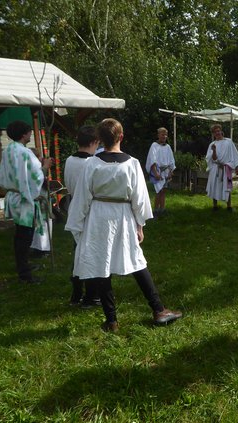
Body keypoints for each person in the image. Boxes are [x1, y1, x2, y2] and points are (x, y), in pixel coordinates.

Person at [65, 118, 182, 332]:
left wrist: (78, 225)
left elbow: (81, 197)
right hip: (123, 216)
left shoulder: (92, 163)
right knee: (135, 261)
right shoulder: (131, 164)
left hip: (98, 218)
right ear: (121, 136)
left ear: (100, 139)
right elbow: (140, 198)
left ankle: (112, 321)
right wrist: (140, 224)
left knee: (104, 265)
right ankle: (157, 310)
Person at [0, 120, 52, 284]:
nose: (30, 135)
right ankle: (24, 273)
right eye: (29, 132)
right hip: (24, 199)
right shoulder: (25, 153)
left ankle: (23, 265)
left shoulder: (8, 150)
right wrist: (45, 166)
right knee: (25, 237)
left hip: (14, 196)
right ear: (24, 134)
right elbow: (35, 177)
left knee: (20, 234)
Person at [63, 125, 101, 308]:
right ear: (94, 142)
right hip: (89, 210)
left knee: (78, 252)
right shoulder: (92, 163)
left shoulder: (69, 160)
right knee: (91, 253)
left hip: (74, 208)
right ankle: (91, 296)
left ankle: (76, 294)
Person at [205, 123, 238, 212]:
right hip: (216, 168)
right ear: (213, 134)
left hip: (226, 168)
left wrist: (236, 166)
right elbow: (213, 159)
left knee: (227, 187)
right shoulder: (212, 144)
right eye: (215, 132)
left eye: (218, 131)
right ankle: (215, 206)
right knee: (214, 186)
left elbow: (234, 154)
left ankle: (229, 206)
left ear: (221, 131)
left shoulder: (228, 142)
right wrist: (214, 150)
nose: (217, 133)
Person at [145, 127, 176, 216]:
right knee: (158, 191)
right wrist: (156, 173)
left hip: (166, 172)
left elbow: (171, 160)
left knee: (164, 191)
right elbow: (152, 160)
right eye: (162, 134)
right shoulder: (154, 145)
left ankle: (162, 209)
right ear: (158, 135)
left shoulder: (168, 147)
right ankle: (155, 211)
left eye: (166, 135)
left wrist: (170, 172)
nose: (164, 136)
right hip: (158, 171)